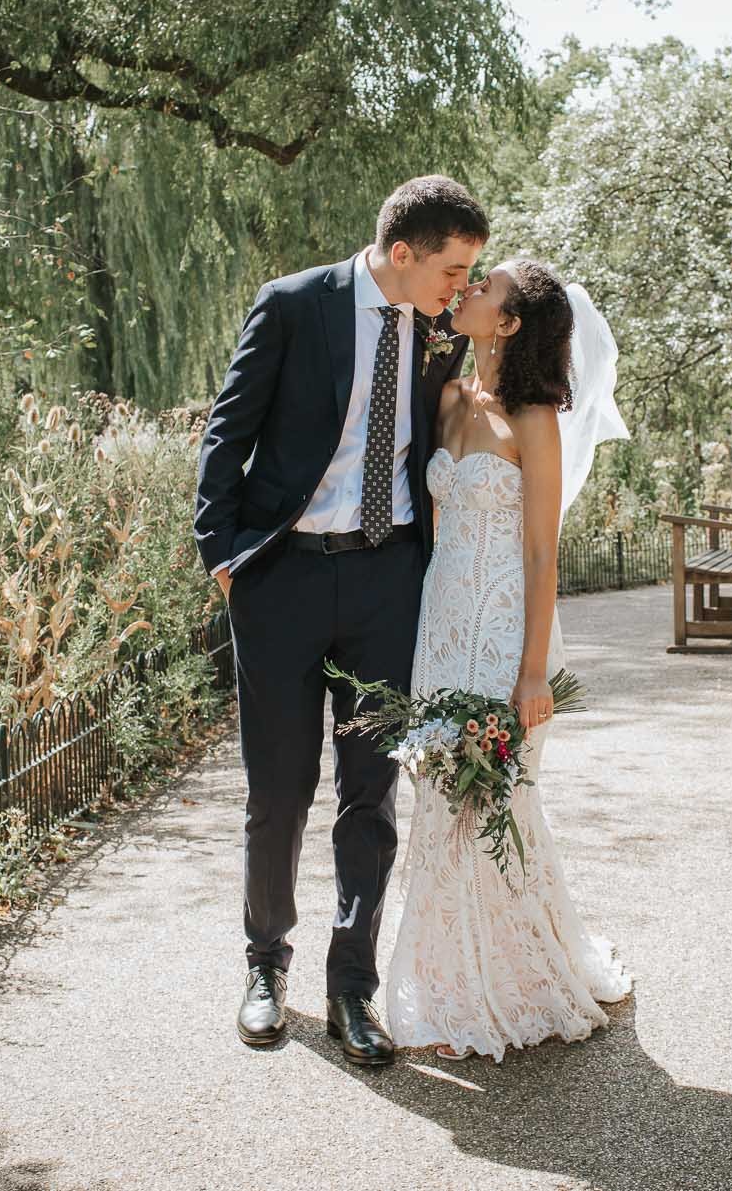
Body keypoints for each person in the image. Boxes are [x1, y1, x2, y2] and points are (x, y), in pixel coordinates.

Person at [194, 175, 483, 1066]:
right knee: (277, 789)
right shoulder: (292, 306)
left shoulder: (439, 331)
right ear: (403, 255)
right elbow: (226, 432)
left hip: (387, 581)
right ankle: (264, 966)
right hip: (282, 578)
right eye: (454, 269)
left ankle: (350, 985)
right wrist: (226, 558)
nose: (463, 288)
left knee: (372, 792)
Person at [384, 258, 633, 1062]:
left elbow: (539, 551)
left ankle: (511, 979)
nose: (468, 289)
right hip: (442, 623)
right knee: (436, 795)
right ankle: (445, 979)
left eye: (484, 286)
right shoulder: (450, 396)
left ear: (511, 321)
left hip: (505, 637)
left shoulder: (536, 418)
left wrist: (532, 670)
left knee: (495, 798)